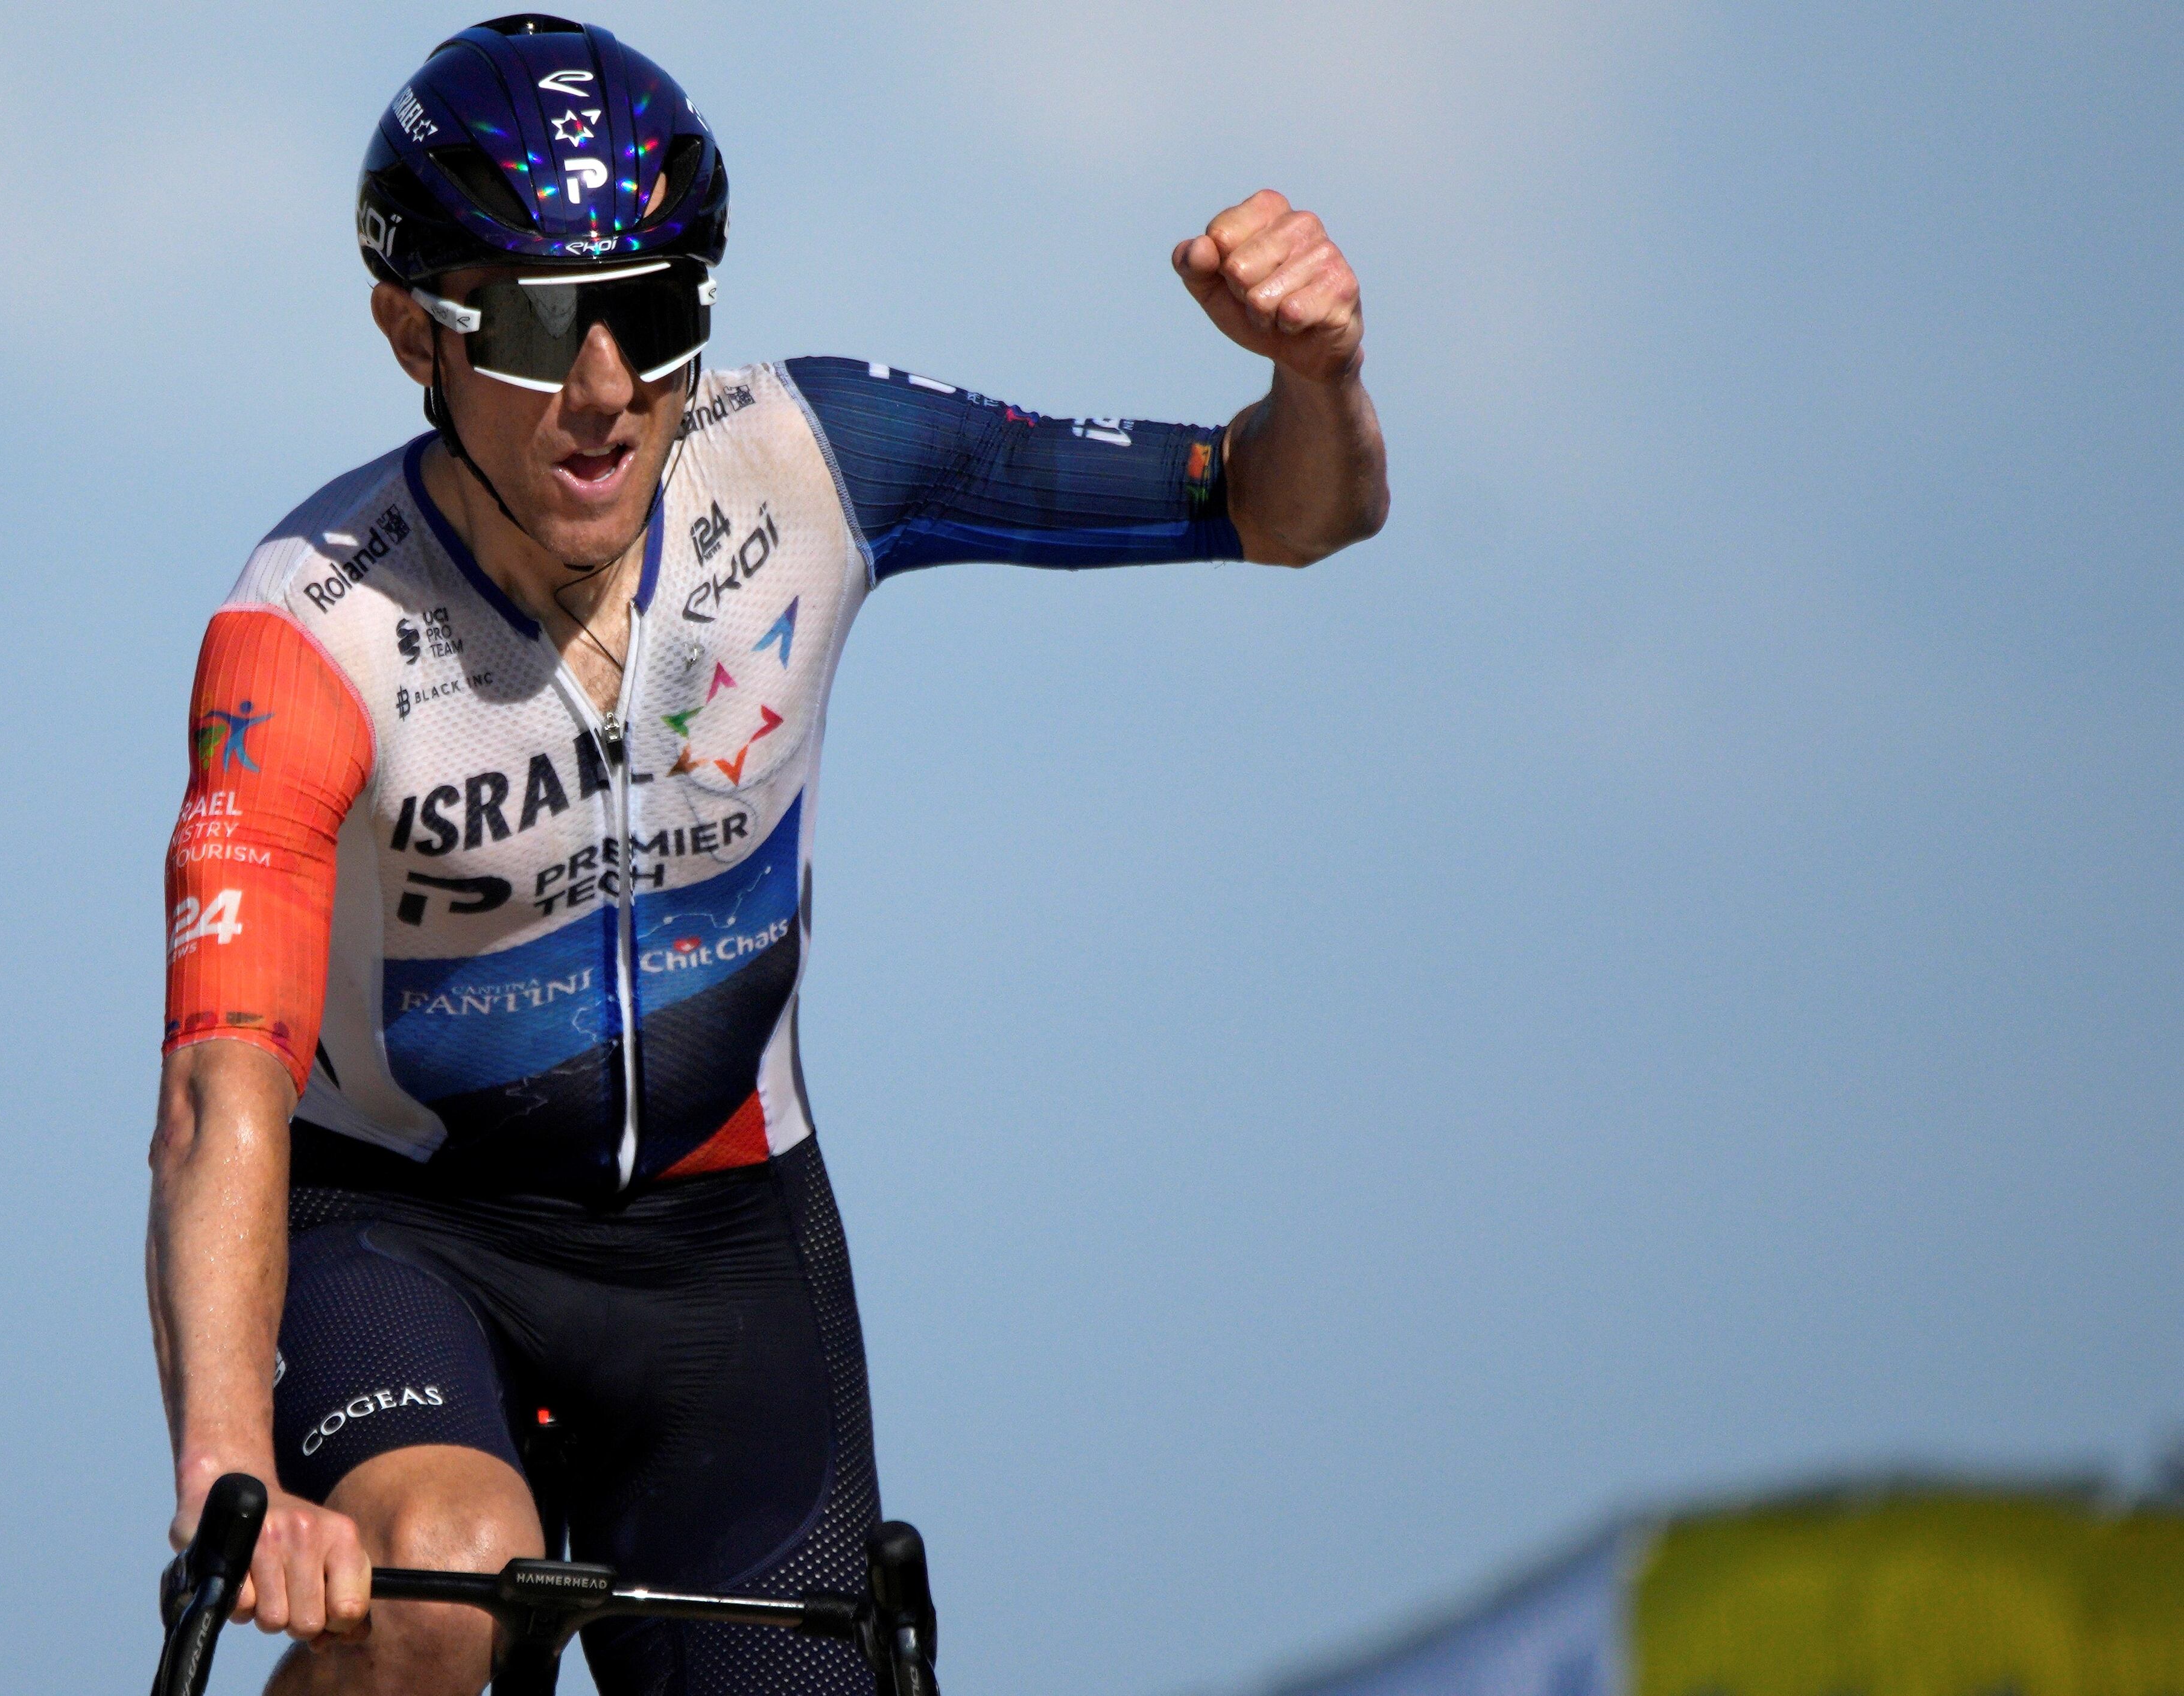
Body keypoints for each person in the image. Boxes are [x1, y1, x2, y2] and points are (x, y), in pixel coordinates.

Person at [146, 15, 1386, 1694]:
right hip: (405, 1228)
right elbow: (220, 1079)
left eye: (653, 314)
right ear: (409, 330)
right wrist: (232, 1467)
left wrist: (1317, 379)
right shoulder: (309, 627)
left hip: (723, 1241)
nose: (604, 391)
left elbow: (1288, 507)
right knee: (442, 1575)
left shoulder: (813, 460)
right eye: (536, 324)